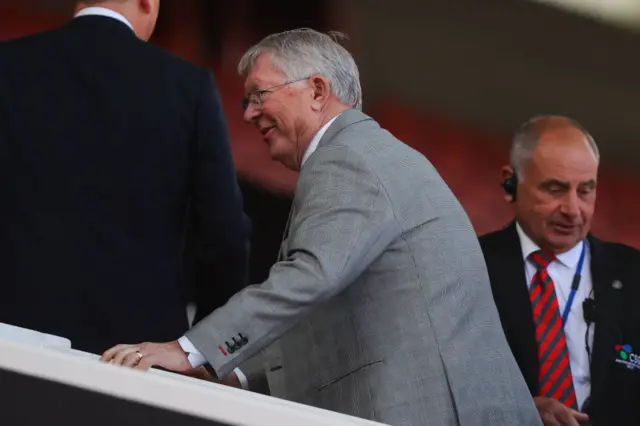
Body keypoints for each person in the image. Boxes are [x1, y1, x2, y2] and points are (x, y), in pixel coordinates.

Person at [102, 29, 541, 425]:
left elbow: (309, 279)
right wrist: (229, 369)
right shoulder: (365, 154)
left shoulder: (348, 157)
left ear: (316, 90)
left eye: (259, 95)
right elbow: (319, 317)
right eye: (246, 102)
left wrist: (188, 351)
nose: (250, 114)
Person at [0, 0, 249, 354]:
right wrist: (201, 349)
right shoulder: (188, 87)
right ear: (148, 2)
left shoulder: (8, 65)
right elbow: (224, 236)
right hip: (138, 356)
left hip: (11, 341)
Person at [479, 116, 640, 425]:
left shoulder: (634, 276)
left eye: (585, 191)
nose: (572, 209)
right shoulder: (471, 267)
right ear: (510, 184)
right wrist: (517, 409)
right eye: (555, 189)